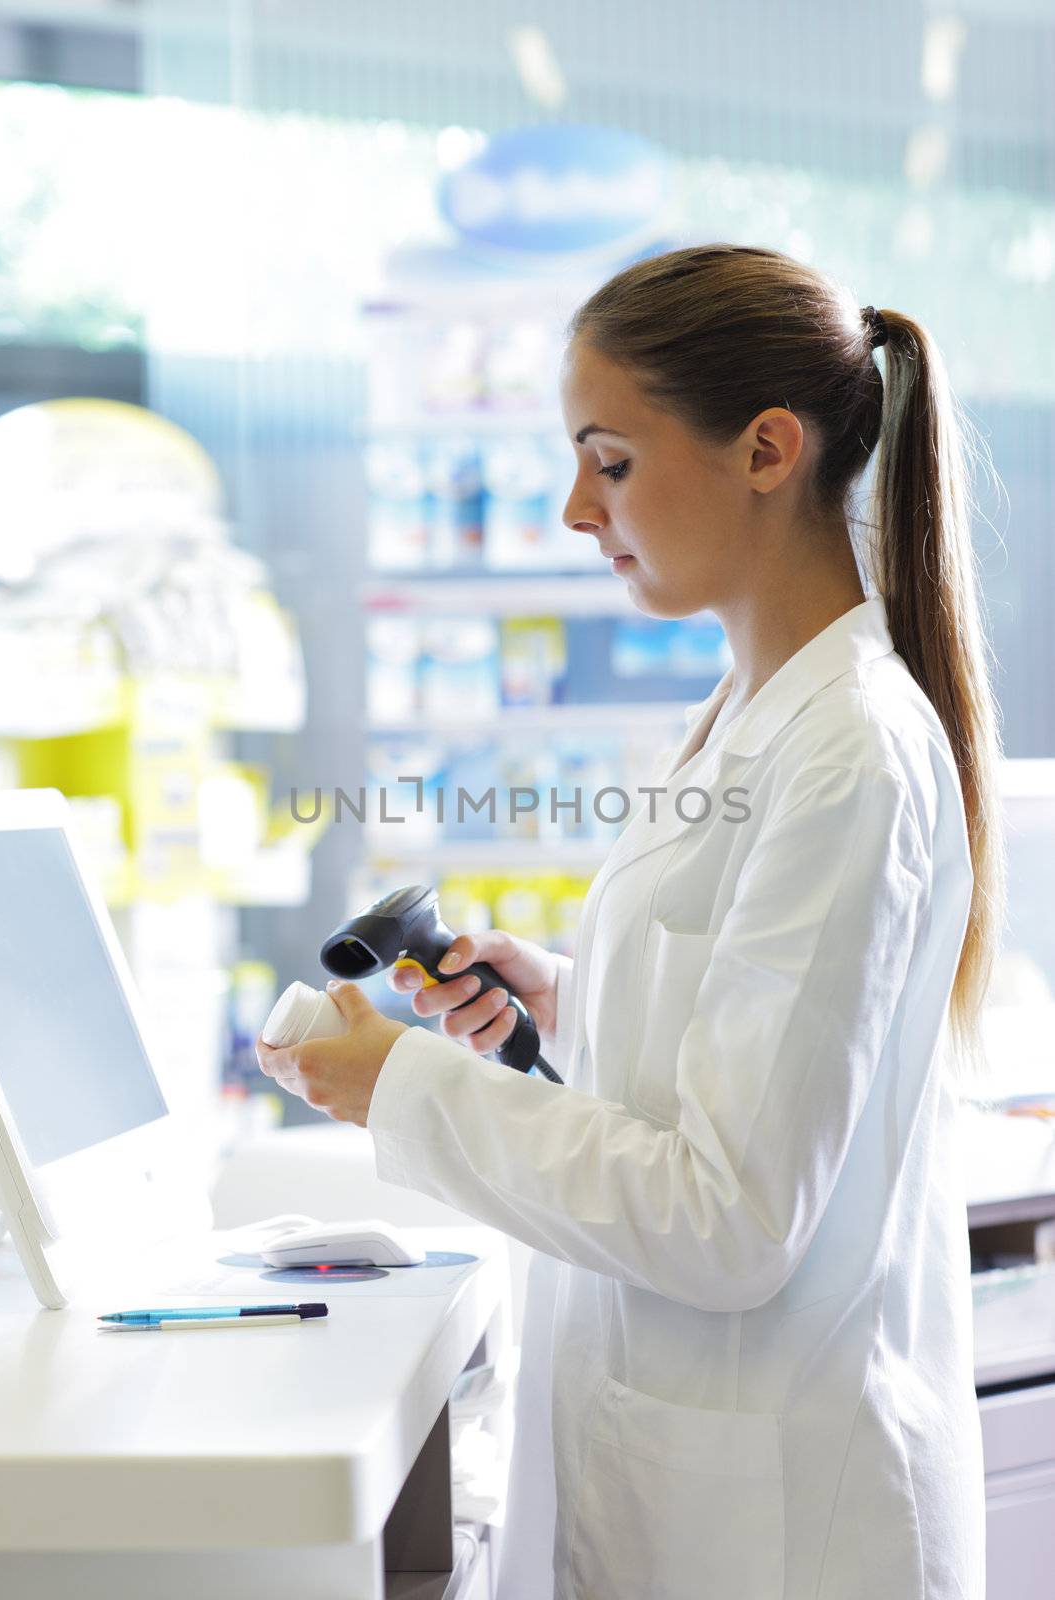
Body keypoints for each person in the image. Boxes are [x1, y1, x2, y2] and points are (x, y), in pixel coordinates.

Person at [257, 244, 1006, 1599]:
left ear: (768, 450)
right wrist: (573, 997)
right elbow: (745, 1038)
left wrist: (404, 1091)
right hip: (700, 1476)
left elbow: (731, 1216)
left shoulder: (847, 750)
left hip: (787, 1528)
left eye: (609, 462)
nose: (570, 508)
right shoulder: (755, 708)